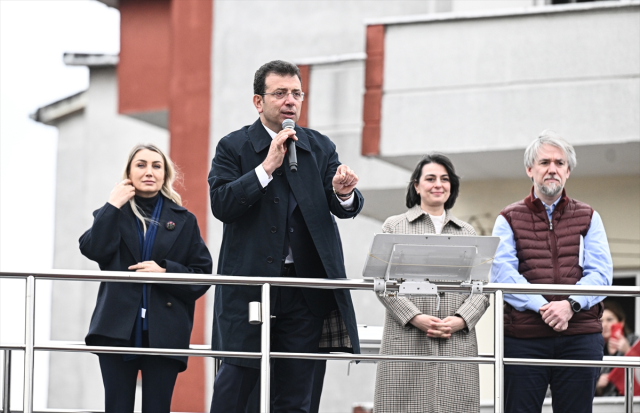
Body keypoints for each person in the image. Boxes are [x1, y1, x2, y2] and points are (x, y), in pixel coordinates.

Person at [207, 60, 363, 413]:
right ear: (258, 102)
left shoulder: (318, 146)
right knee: (235, 386)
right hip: (251, 287)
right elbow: (221, 204)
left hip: (304, 291)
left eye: (296, 93)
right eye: (280, 93)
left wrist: (342, 192)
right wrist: (266, 167)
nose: (290, 100)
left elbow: (344, 207)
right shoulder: (233, 146)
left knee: (297, 394)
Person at [79, 144, 212, 413]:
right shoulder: (112, 213)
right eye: (140, 165)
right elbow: (92, 249)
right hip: (116, 328)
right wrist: (113, 204)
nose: (149, 171)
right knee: (116, 408)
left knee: (158, 409)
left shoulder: (184, 220)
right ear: (129, 172)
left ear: (165, 174)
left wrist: (165, 272)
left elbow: (202, 274)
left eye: (156, 165)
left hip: (165, 331)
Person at [491, 130, 613, 413]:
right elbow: (502, 274)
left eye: (559, 163)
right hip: (524, 339)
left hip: (580, 337)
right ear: (529, 170)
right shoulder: (507, 218)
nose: (552, 169)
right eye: (544, 162)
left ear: (568, 171)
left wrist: (570, 305)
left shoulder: (589, 216)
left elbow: (601, 273)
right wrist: (545, 307)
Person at [374, 154, 490, 413]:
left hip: (455, 341)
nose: (438, 184)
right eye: (430, 178)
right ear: (416, 186)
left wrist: (461, 319)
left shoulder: (466, 232)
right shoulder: (394, 226)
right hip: (406, 339)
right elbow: (382, 283)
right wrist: (415, 317)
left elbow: (481, 290)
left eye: (445, 179)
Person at [596, 300, 639, 396]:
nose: (605, 325)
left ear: (621, 322)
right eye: (601, 321)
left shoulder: (634, 341)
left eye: (609, 320)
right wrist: (598, 385)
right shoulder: (597, 348)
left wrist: (628, 350)